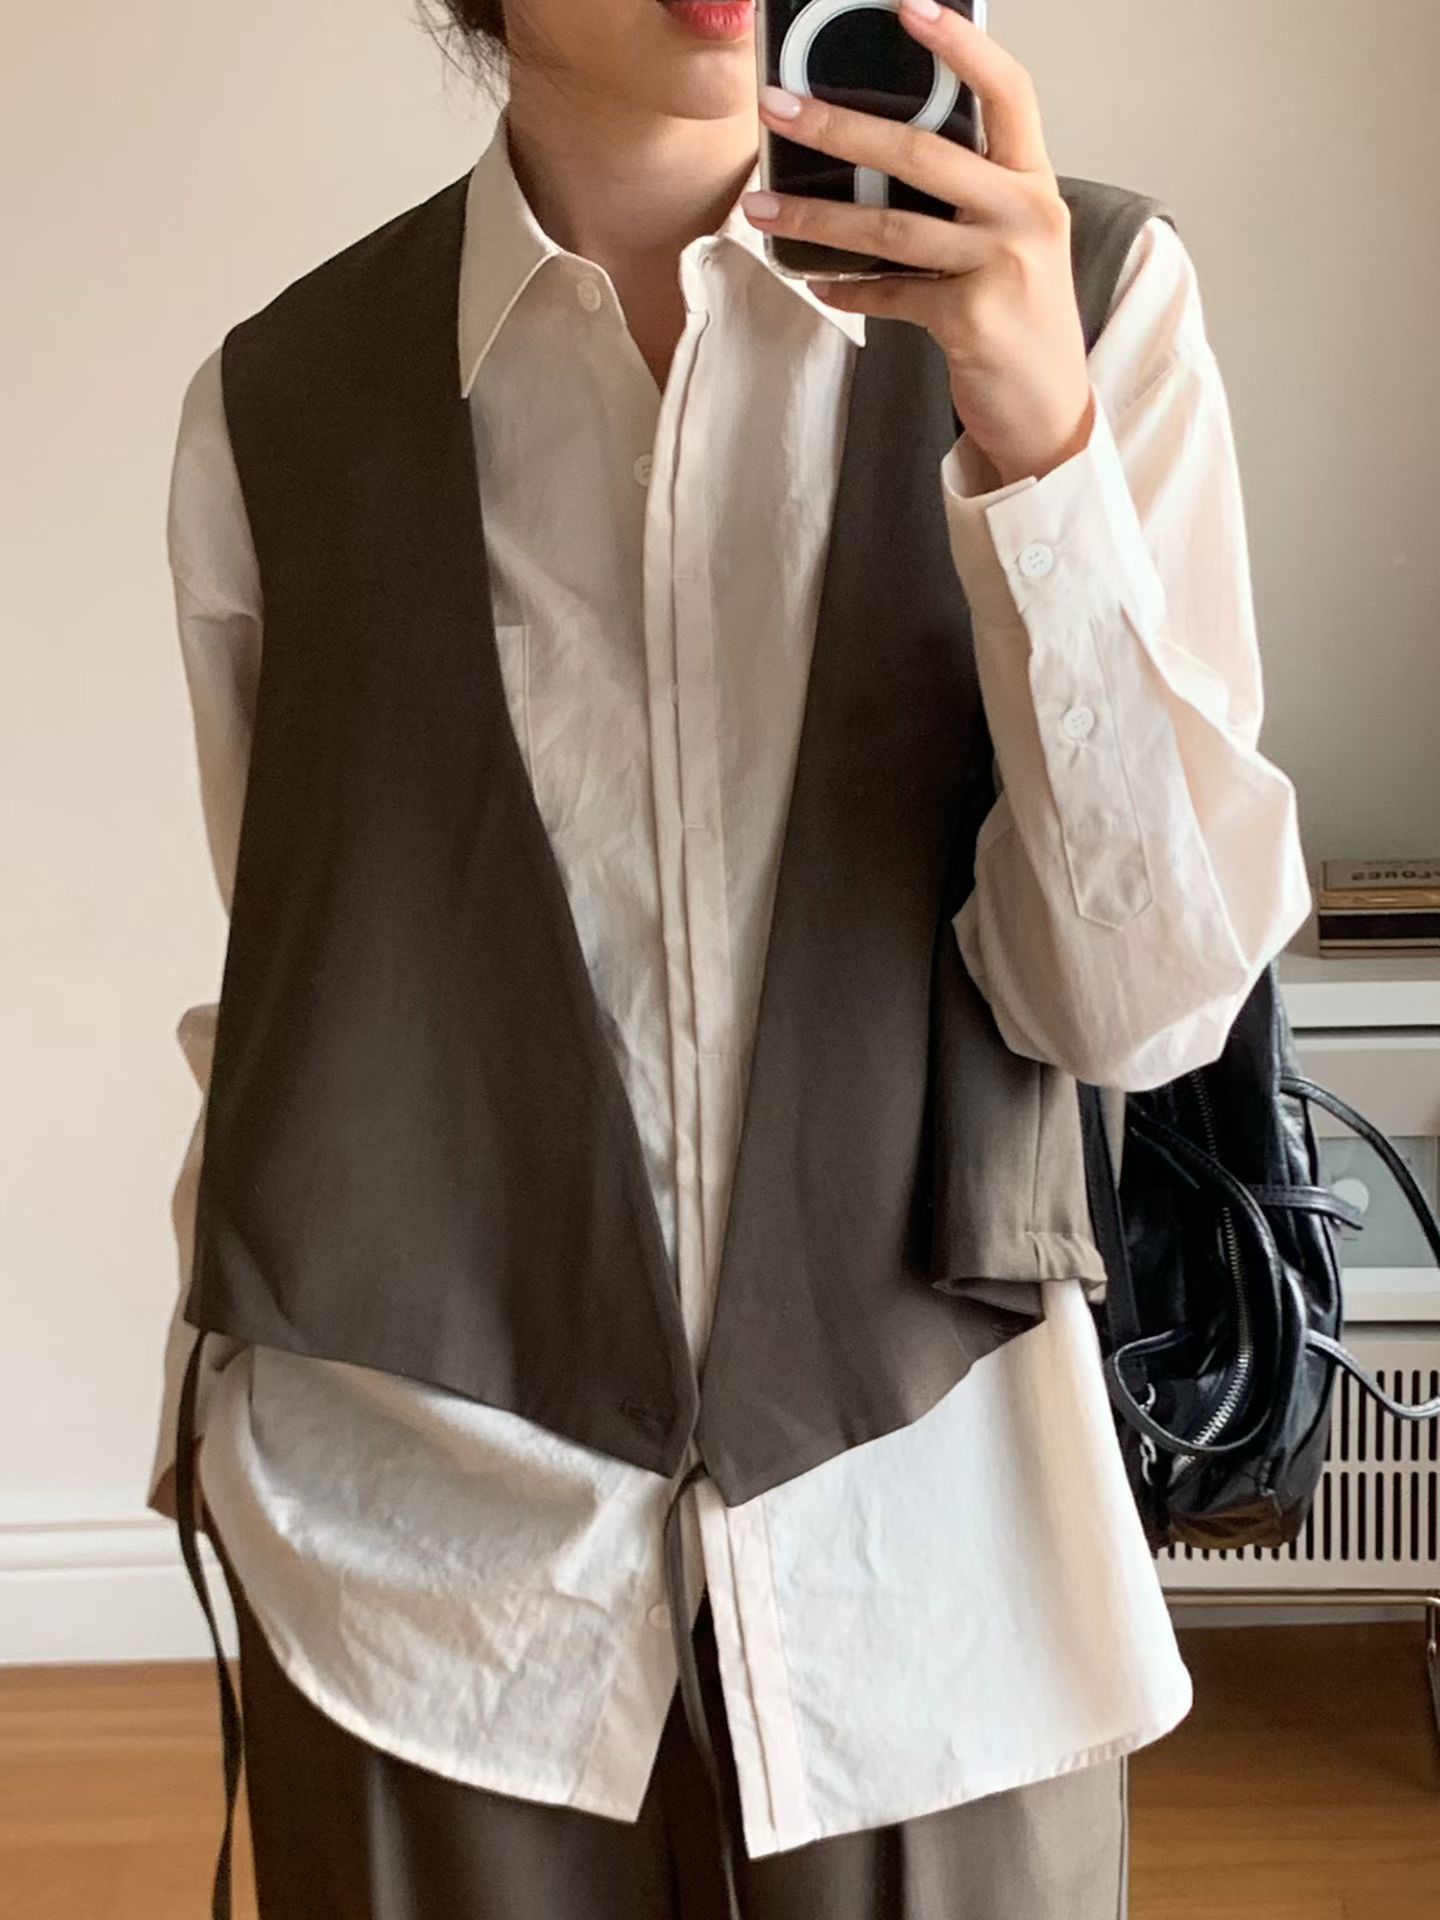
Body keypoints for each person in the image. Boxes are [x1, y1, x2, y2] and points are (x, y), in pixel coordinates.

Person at [147, 1, 1315, 1916]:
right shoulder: (276, 413)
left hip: (936, 1564)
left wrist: (1039, 447)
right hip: (428, 1575)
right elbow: (324, 974)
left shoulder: (1093, 303)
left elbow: (1142, 1009)